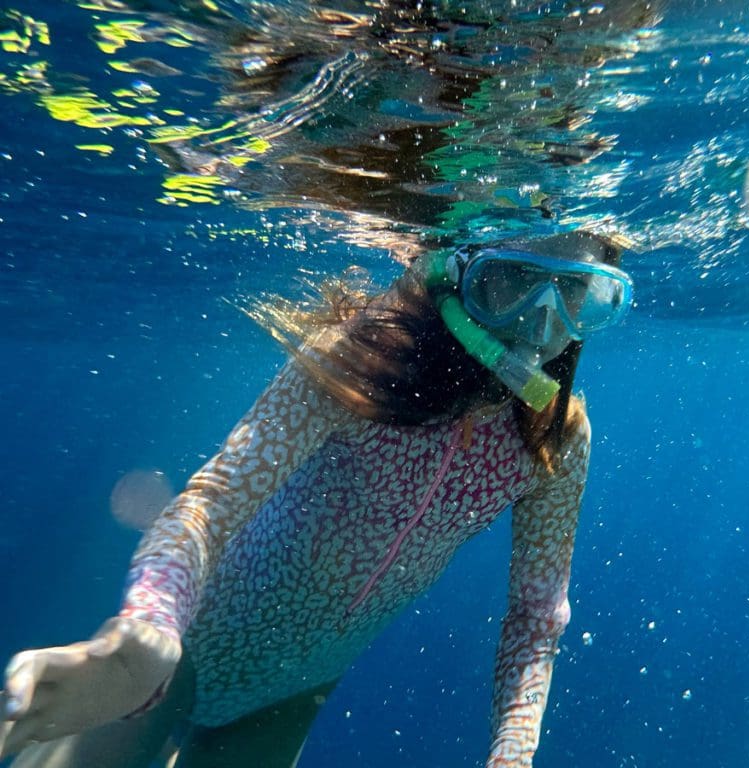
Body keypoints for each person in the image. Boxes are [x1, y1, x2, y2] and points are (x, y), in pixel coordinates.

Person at [0, 229, 634, 768]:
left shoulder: (555, 438)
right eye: (512, 281)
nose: (541, 321)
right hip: (168, 660)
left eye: (575, 293)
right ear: (460, 273)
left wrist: (512, 756)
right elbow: (211, 501)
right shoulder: (359, 357)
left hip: (288, 697)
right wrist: (149, 626)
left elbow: (537, 614)